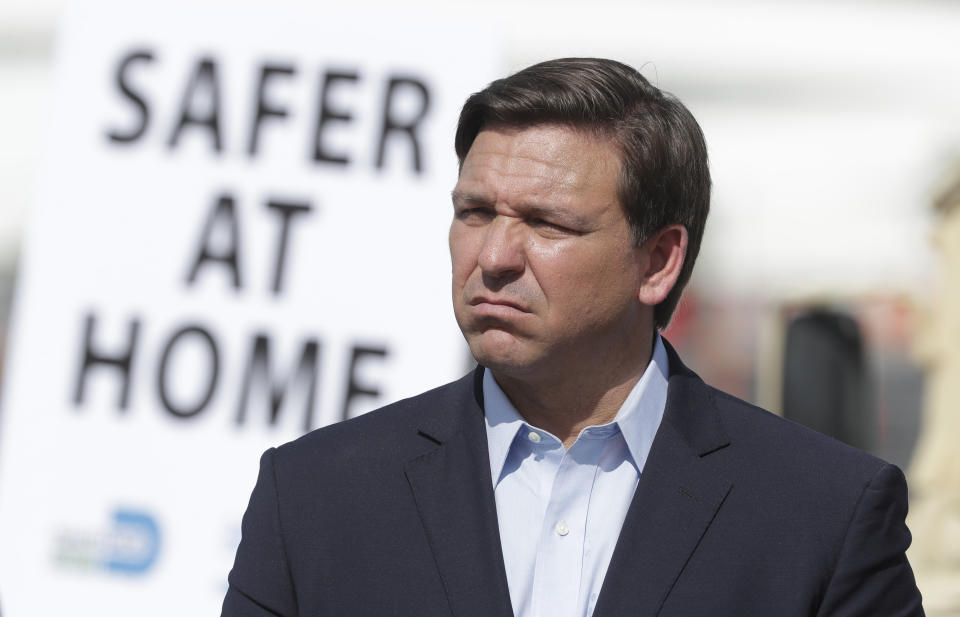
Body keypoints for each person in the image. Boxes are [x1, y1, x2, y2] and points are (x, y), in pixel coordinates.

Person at [221, 58, 923, 617]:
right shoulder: (316, 496)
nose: (493, 254)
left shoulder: (822, 512)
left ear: (659, 260)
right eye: (474, 211)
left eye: (546, 223)